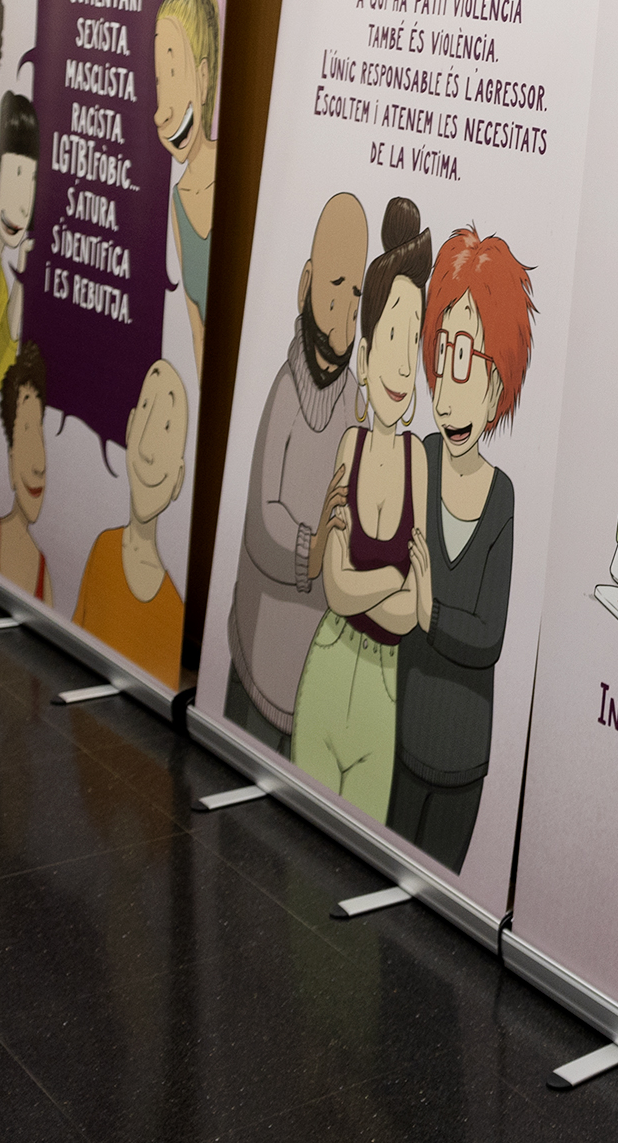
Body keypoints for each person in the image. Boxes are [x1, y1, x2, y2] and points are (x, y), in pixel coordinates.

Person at [390, 227, 533, 869]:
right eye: (443, 354)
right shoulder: (417, 460)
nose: (450, 391)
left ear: (500, 380)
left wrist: (430, 613)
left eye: (472, 360)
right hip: (398, 732)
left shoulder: (502, 498)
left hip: (464, 757)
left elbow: (489, 635)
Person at [291, 198, 434, 821]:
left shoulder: (417, 460)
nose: (404, 362)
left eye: (415, 339)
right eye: (394, 337)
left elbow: (417, 614)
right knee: (299, 836)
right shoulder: (348, 446)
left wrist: (375, 587)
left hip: (382, 691)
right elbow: (336, 588)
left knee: (361, 842)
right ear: (368, 351)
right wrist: (395, 580)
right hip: (329, 664)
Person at [229, 192, 369, 755]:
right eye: (335, 286)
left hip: (317, 664)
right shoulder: (284, 392)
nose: (345, 313)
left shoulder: (356, 405)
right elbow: (262, 521)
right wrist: (313, 550)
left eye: (356, 295)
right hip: (259, 646)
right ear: (306, 284)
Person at [71, 359, 190, 688]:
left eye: (167, 427)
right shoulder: (103, 548)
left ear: (179, 478)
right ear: (130, 426)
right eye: (147, 410)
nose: (149, 449)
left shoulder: (173, 611)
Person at [152, 0, 219, 377]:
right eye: (159, 81)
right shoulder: (178, 201)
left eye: (174, 74)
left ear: (204, 77)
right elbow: (198, 333)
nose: (162, 112)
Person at [0, 341, 51, 604]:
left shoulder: (42, 571)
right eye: (26, 433)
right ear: (10, 459)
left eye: (40, 433)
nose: (39, 465)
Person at [0, 93, 36, 396]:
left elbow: (0, 369)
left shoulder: (1, 286)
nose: (22, 208)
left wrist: (23, 270)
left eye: (30, 183)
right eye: (16, 175)